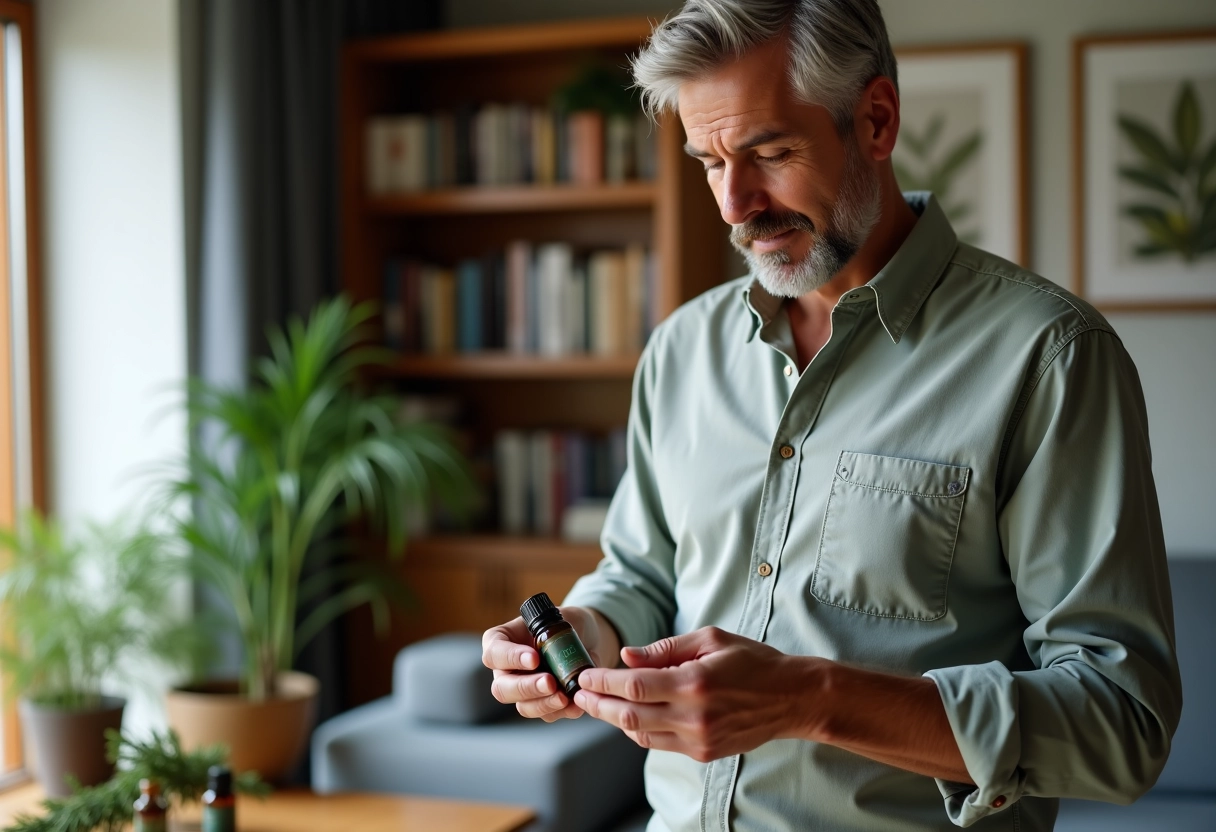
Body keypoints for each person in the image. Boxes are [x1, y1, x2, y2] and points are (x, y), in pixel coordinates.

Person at [481, 2, 1182, 830]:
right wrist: (587, 634)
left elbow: (1121, 721)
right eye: (709, 161)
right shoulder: (681, 351)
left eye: (768, 152)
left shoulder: (1049, 358)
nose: (736, 203)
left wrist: (811, 699)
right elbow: (641, 572)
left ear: (876, 120)